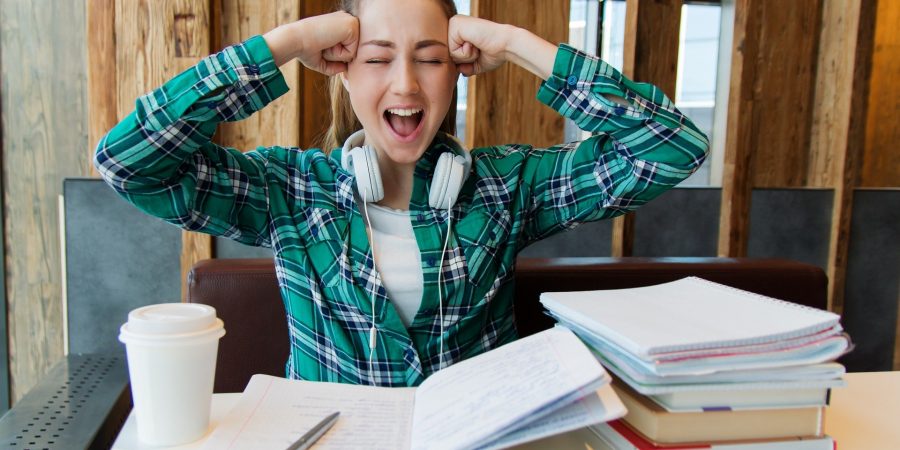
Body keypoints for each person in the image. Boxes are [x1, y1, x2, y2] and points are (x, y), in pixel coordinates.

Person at [94, 0, 709, 387]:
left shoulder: (506, 186)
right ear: (340, 70)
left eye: (431, 59)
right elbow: (130, 162)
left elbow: (671, 145)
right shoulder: (290, 192)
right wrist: (283, 45)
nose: (406, 83)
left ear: (460, 70)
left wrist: (517, 44)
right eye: (378, 58)